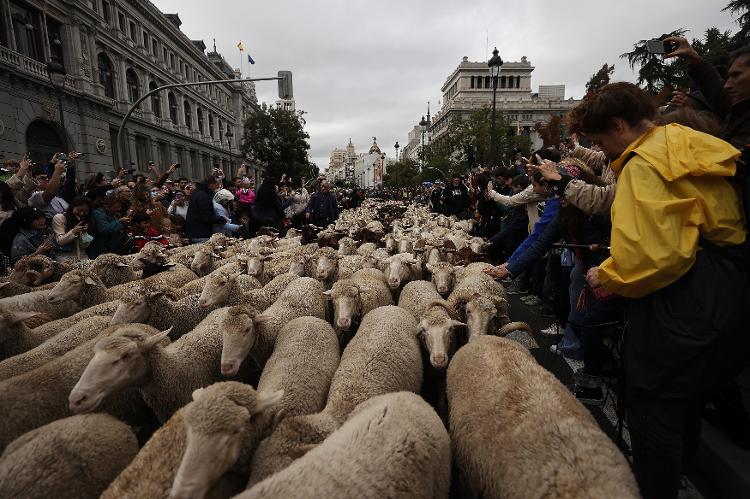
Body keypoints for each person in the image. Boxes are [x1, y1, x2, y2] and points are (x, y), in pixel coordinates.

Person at [572, 82, 747, 499]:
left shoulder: (644, 163)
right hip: (726, 284)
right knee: (687, 398)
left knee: (655, 406)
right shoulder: (686, 140)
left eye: (601, 140)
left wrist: (607, 276)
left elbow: (655, 254)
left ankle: (657, 488)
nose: (604, 151)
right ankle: (681, 476)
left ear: (618, 125)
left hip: (680, 300)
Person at [666, 37, 750, 148]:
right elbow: (720, 95)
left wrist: (689, 114)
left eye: (736, 75)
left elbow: (729, 162)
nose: (727, 85)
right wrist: (694, 59)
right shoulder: (740, 110)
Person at [185, 175, 225, 243]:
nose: (218, 187)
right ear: (212, 185)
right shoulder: (204, 196)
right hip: (201, 233)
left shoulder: (198, 192)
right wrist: (221, 219)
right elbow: (206, 217)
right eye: (217, 185)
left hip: (196, 232)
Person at [52, 196, 93, 262]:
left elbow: (83, 246)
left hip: (81, 256)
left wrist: (85, 233)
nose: (82, 213)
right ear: (72, 207)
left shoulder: (85, 221)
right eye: (79, 210)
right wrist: (73, 232)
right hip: (64, 256)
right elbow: (60, 241)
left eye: (85, 211)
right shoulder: (60, 218)